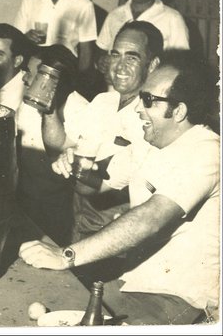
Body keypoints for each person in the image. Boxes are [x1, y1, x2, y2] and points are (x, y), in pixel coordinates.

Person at [19, 54, 219, 325]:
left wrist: (67, 255)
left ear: (179, 111)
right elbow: (96, 185)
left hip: (180, 298)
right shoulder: (149, 144)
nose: (138, 109)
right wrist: (75, 166)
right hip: (134, 282)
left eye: (148, 100)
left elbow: (150, 219)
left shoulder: (206, 152)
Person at [42, 21, 162, 246]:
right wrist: (48, 110)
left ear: (152, 64)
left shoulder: (151, 118)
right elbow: (63, 143)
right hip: (80, 223)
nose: (120, 66)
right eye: (115, 55)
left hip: (117, 236)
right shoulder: (103, 100)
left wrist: (71, 163)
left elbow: (92, 186)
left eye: (132, 57)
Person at [16, 45, 89, 245]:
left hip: (59, 210)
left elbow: (62, 158)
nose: (24, 78)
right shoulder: (28, 104)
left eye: (30, 73)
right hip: (26, 199)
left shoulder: (81, 110)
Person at [95, 0, 189, 72]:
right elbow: (102, 50)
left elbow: (182, 64)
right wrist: (102, 60)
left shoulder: (172, 19)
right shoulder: (115, 15)